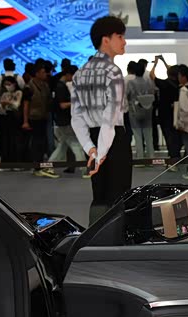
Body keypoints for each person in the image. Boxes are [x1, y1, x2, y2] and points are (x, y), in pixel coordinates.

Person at [71, 16, 132, 224]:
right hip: (113, 140)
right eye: (120, 36)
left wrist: (91, 149)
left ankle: (97, 238)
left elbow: (76, 118)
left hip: (92, 140)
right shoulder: (113, 72)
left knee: (99, 195)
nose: (124, 41)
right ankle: (116, 240)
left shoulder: (80, 73)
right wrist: (102, 153)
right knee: (119, 197)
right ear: (106, 40)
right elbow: (110, 118)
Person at [41, 66, 87, 178]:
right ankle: (85, 169)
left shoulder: (60, 85)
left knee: (62, 146)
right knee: (76, 145)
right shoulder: (61, 87)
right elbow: (62, 105)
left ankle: (48, 167)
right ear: (68, 74)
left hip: (62, 120)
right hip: (65, 121)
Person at [151, 56, 182, 161]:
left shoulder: (163, 83)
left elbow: (152, 75)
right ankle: (176, 153)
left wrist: (155, 63)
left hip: (164, 113)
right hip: (177, 113)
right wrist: (163, 61)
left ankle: (173, 155)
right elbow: (171, 70)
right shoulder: (179, 84)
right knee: (176, 134)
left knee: (168, 134)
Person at [127, 61, 156, 163]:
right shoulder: (149, 82)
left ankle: (140, 159)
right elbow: (153, 94)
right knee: (148, 135)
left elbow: (127, 95)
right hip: (148, 111)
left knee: (138, 136)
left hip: (135, 111)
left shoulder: (131, 83)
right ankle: (151, 158)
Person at [0, 76, 23, 167]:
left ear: (14, 84)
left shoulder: (18, 92)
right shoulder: (5, 94)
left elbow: (17, 105)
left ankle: (17, 162)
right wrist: (3, 105)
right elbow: (0, 108)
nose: (7, 86)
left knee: (15, 140)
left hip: (15, 117)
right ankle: (6, 162)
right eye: (5, 84)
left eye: (9, 84)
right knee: (6, 140)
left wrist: (8, 103)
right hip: (6, 117)